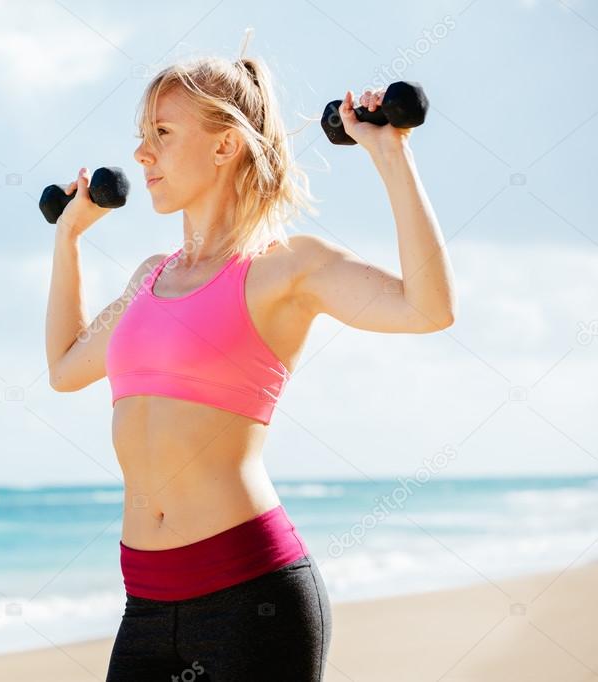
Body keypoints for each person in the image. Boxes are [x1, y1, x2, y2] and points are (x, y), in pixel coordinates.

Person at [43, 29, 456, 682]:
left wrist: (388, 153)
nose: (140, 152)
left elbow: (427, 308)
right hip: (146, 604)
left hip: (250, 600)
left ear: (224, 144)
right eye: (142, 133)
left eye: (161, 133)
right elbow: (65, 369)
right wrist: (67, 240)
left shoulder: (283, 269)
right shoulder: (148, 278)